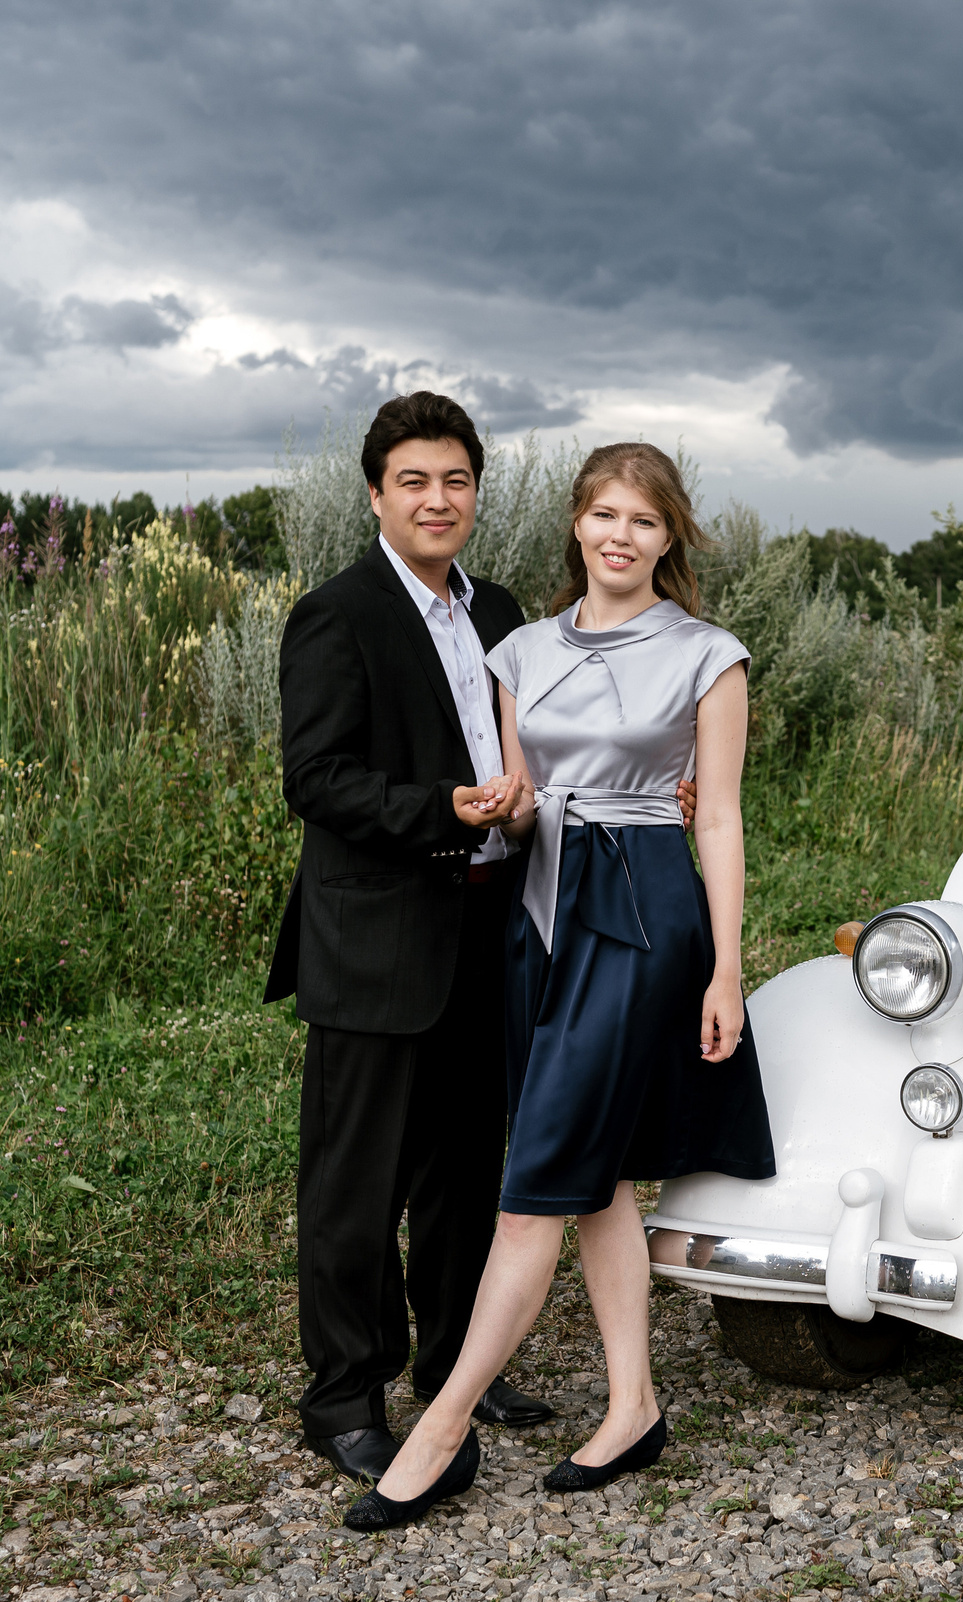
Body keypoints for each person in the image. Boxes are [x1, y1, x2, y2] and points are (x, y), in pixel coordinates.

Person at [345, 443, 775, 1530]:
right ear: (576, 527)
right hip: (535, 918)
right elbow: (525, 796)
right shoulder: (518, 651)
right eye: (602, 515)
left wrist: (727, 966)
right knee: (590, 1178)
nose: (619, 535)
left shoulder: (707, 655)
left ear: (667, 537)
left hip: (641, 920)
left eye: (642, 519)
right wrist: (505, 809)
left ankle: (440, 1431)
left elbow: (716, 817)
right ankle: (632, 1405)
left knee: (534, 1180)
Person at [265, 391, 559, 1484]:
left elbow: (540, 747)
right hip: (380, 941)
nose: (438, 501)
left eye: (456, 481)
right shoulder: (337, 616)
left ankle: (457, 1370)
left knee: (463, 1176)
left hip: (490, 926)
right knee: (356, 1186)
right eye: (414, 482)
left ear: (477, 493)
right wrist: (446, 809)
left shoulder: (503, 614)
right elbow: (318, 780)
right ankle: (343, 1394)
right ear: (375, 494)